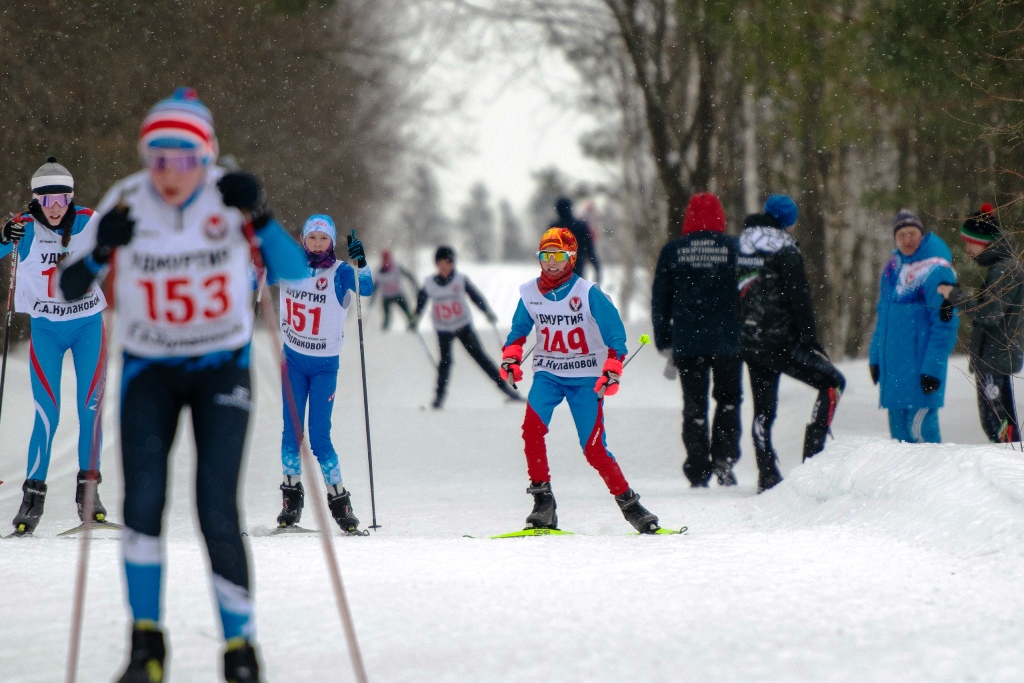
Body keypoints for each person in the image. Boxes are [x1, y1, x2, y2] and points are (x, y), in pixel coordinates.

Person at [60, 87, 307, 683]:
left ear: (207, 156)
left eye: (185, 157)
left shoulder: (228, 198)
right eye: (158, 158)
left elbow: (297, 272)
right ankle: (147, 647)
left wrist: (263, 215)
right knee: (142, 501)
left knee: (216, 508)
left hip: (220, 366)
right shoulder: (126, 199)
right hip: (149, 370)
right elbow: (69, 288)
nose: (170, 173)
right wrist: (100, 255)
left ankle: (240, 651)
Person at [500, 227, 662, 533]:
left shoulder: (588, 293)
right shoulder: (530, 293)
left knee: (593, 449)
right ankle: (543, 503)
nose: (550, 262)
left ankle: (631, 505)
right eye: (545, 255)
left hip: (585, 376)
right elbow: (518, 330)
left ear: (571, 258)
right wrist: (511, 355)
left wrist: (612, 367)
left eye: (558, 256)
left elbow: (616, 334)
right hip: (548, 373)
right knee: (531, 432)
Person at [0, 157, 109, 535]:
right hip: (46, 329)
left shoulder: (89, 221)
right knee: (46, 414)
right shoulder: (25, 229)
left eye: (62, 199)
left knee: (90, 409)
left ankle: (90, 494)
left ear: (73, 198)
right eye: (46, 201)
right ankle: (32, 498)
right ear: (35, 202)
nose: (56, 208)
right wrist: (3, 237)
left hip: (87, 327)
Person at [737, 195, 846, 493]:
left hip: (749, 341)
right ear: (789, 221)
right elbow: (800, 299)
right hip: (780, 341)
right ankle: (812, 462)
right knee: (833, 383)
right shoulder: (785, 249)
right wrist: (810, 340)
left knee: (763, 410)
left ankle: (767, 473)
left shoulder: (741, 244)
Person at [277, 215, 373, 533]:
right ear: (304, 239)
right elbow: (252, 280)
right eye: (312, 238)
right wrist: (254, 258)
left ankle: (340, 501)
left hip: (323, 367)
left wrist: (361, 264)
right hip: (292, 362)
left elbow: (368, 288)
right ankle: (291, 499)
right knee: (292, 434)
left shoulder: (341, 272)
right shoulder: (290, 265)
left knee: (319, 437)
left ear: (331, 242)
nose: (317, 244)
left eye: (324, 239)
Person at [651, 192, 742, 488]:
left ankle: (697, 468)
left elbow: (660, 299)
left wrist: (664, 338)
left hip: (689, 342)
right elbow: (749, 293)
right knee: (728, 401)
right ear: (720, 216)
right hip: (728, 340)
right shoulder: (735, 249)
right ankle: (724, 461)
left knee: (694, 405)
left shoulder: (673, 251)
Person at [869, 209, 959, 444]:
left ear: (921, 234)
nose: (907, 240)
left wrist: (933, 368)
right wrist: (875, 357)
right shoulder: (892, 269)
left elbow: (945, 323)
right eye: (901, 235)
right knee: (900, 444)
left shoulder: (936, 270)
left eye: (912, 233)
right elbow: (883, 318)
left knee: (922, 439)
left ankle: (938, 480)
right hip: (895, 375)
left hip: (920, 373)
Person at [937, 204, 1022, 443]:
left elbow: (990, 313)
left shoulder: (1005, 269)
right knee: (995, 424)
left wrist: (954, 295)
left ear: (983, 241)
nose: (966, 249)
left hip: (996, 357)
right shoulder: (1001, 267)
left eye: (968, 242)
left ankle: (1011, 471)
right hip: (992, 357)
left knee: (1000, 427)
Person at [414, 245, 520, 408]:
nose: (444, 267)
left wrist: (487, 312)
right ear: (436, 264)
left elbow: (475, 296)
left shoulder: (460, 280)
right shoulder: (429, 283)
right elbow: (421, 301)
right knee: (445, 363)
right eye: (441, 263)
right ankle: (439, 399)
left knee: (481, 358)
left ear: (453, 264)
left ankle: (507, 390)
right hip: (443, 329)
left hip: (463, 326)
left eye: (448, 263)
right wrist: (415, 317)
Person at [551, 197, 600, 281]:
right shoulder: (580, 226)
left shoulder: (553, 228)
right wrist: (596, 268)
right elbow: (590, 249)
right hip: (577, 270)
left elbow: (547, 252)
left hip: (557, 274)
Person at [375, 249, 417, 330]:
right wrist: (372, 299)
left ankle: (413, 326)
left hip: (398, 294)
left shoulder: (396, 267)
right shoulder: (379, 271)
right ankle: (384, 331)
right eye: (384, 259)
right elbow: (375, 286)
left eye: (387, 259)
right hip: (386, 296)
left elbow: (408, 275)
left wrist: (414, 284)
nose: (386, 261)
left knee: (407, 312)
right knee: (387, 316)